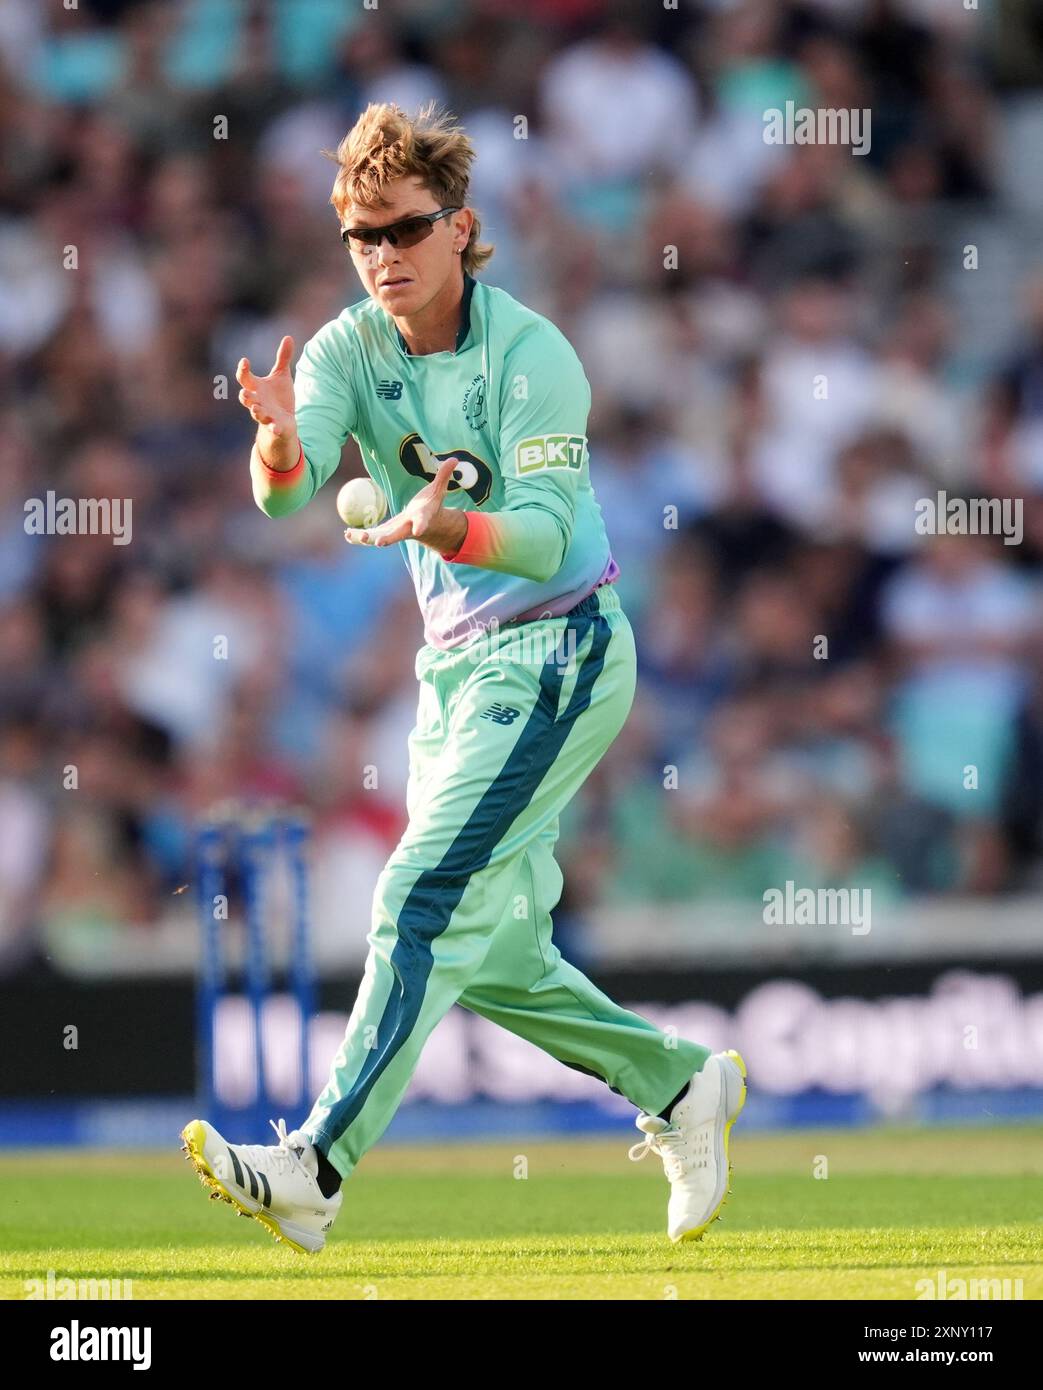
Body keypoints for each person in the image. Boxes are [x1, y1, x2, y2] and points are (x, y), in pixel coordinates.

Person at [180, 102, 745, 1253]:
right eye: (359, 236)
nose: (380, 256)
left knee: (416, 896)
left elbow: (540, 536)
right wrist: (280, 441)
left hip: (560, 648)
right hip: (456, 673)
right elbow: (286, 497)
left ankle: (315, 1164)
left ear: (460, 227)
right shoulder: (343, 347)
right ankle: (682, 1088)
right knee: (490, 951)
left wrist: (445, 531)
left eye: (401, 230)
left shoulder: (531, 352)